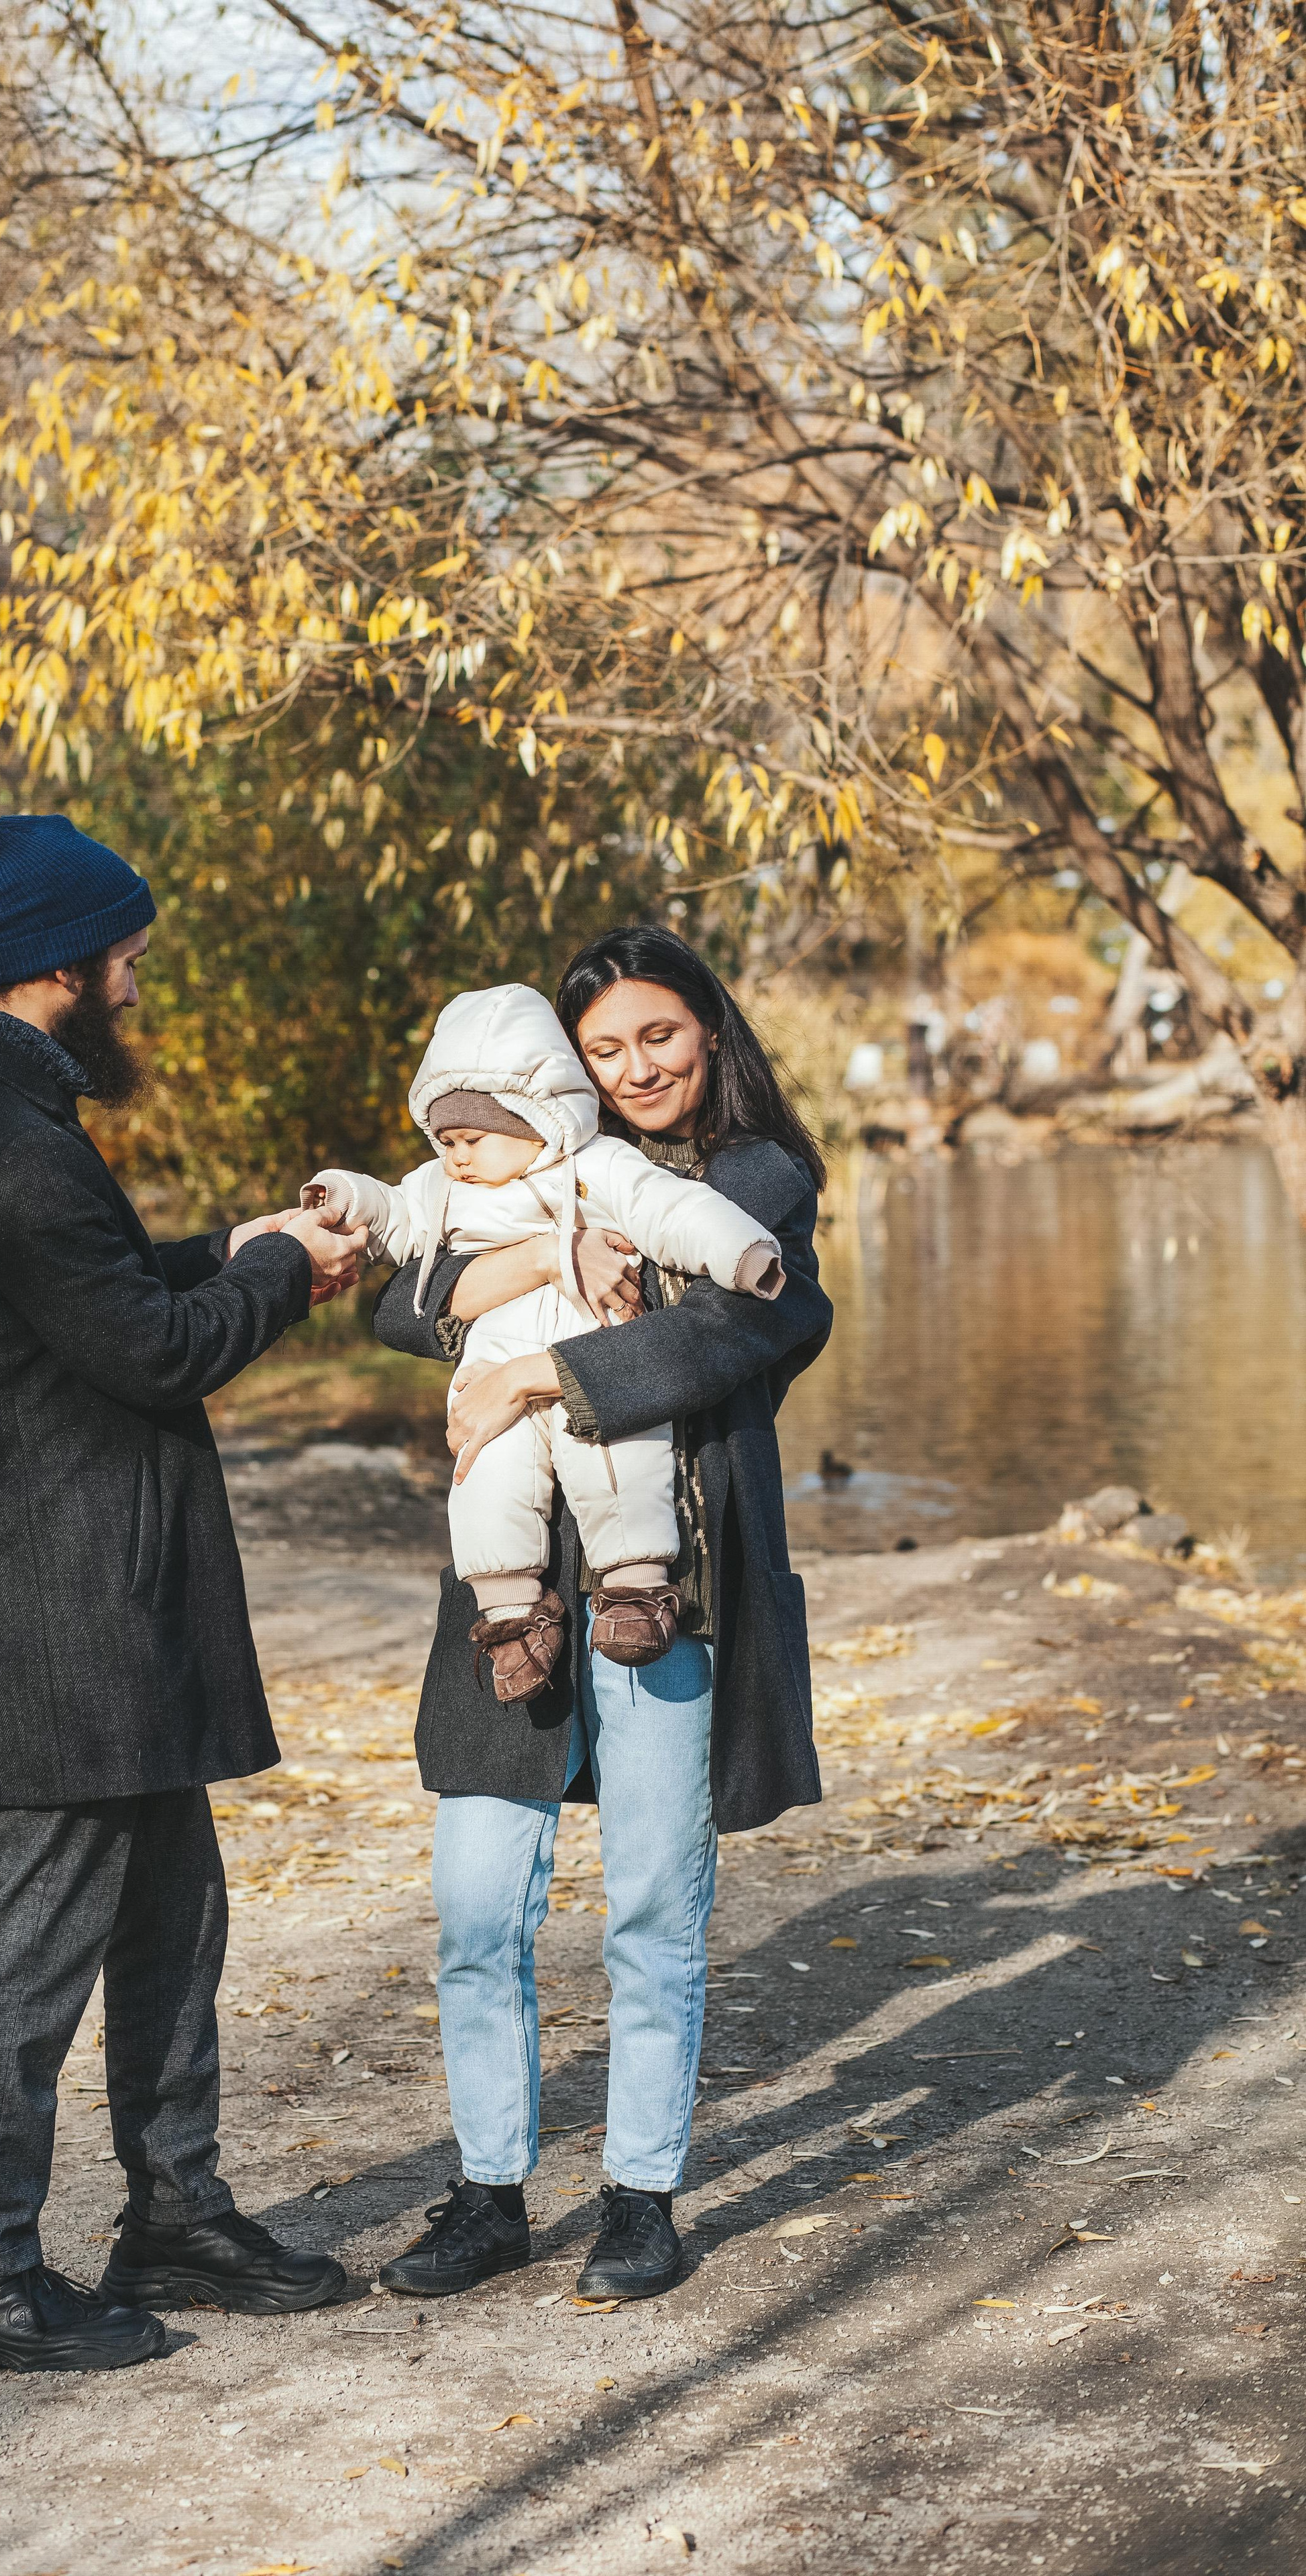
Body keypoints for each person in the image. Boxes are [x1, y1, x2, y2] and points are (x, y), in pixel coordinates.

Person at [0, 812, 364, 2376]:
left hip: (100, 1605)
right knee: (36, 1945)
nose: (136, 988)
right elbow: (155, 1350)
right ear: (63, 966)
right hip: (64, 1624)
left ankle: (172, 2208)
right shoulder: (6, 1145)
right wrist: (282, 1275)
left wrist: (233, 1242)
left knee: (174, 1914)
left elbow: (90, 1283)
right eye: (128, 961)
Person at [370, 925, 832, 2304]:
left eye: (660, 1037)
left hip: (664, 1579)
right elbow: (401, 1306)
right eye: (603, 1050)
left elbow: (735, 1331)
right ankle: (489, 2191)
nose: (635, 1068)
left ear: (710, 1034)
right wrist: (524, 1267)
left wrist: (524, 1380)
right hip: (514, 1581)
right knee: (474, 1901)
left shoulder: (758, 1181)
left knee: (648, 1899)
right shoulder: (514, 1158)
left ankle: (640, 2194)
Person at [305, 982, 784, 1689]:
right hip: (491, 1356)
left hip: (597, 1359)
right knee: (484, 1473)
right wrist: (346, 1196)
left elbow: (677, 1223)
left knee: (617, 1454)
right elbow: (398, 1269)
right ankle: (508, 1610)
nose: (458, 1156)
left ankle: (634, 1582)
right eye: (605, 1050)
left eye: (658, 1038)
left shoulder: (604, 1170)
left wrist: (744, 1254)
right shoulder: (446, 1183)